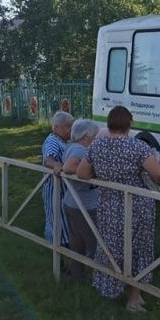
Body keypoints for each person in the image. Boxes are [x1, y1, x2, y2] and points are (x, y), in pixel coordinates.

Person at [75, 106, 160, 311]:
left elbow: (82, 174)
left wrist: (102, 174)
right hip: (138, 206)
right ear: (129, 124)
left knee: (111, 247)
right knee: (138, 249)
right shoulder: (138, 146)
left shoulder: (97, 145)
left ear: (109, 124)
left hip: (109, 205)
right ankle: (134, 297)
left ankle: (110, 289)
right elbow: (159, 174)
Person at [60, 118, 101, 283]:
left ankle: (76, 274)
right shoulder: (80, 150)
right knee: (94, 241)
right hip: (84, 204)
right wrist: (92, 173)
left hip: (72, 201)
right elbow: (68, 168)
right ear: (86, 136)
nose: (97, 139)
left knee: (76, 240)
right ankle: (101, 276)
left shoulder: (71, 147)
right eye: (95, 136)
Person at [42, 110, 73, 245]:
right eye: (67, 126)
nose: (70, 130)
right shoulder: (53, 141)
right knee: (57, 218)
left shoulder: (63, 140)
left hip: (64, 189)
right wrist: (57, 165)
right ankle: (58, 247)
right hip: (55, 190)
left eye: (71, 126)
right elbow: (48, 159)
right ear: (55, 127)